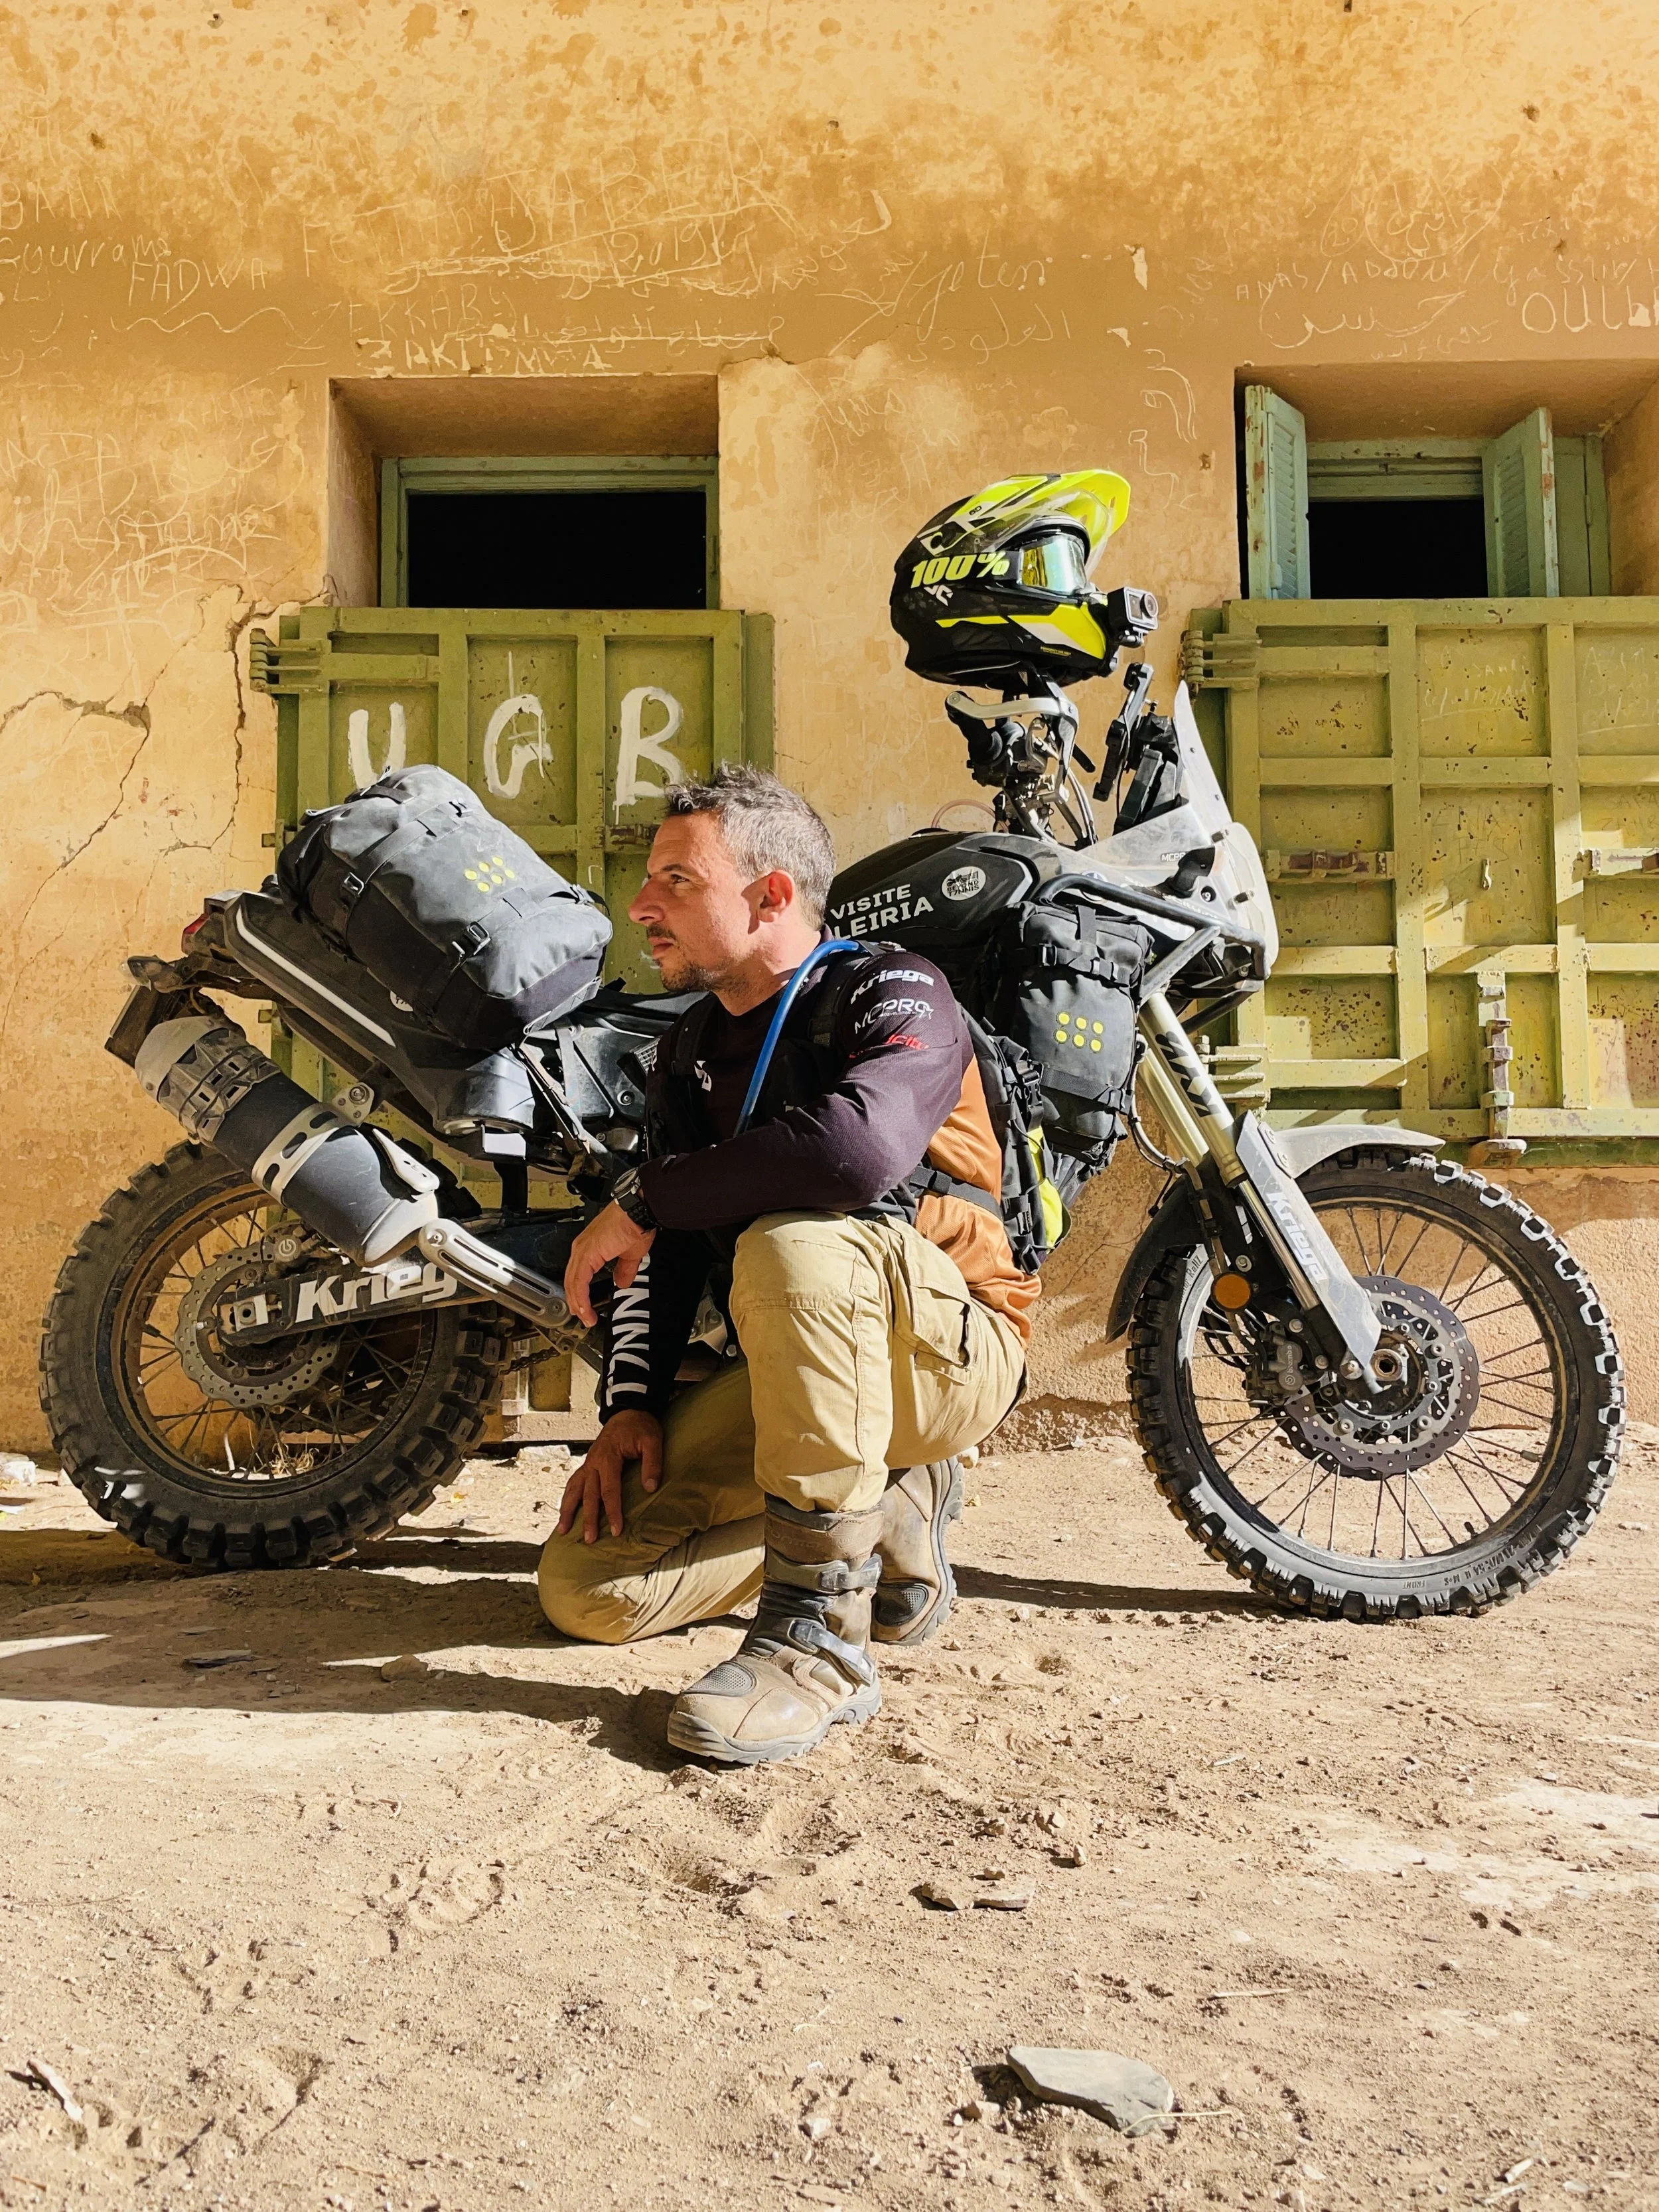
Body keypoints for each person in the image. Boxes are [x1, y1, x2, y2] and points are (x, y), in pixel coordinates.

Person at [538, 765, 1033, 1765]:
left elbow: (856, 1156)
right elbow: (662, 1260)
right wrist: (630, 1407)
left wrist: (639, 1197)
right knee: (589, 1588)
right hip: (807, 1364)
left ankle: (819, 1649)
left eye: (678, 880)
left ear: (770, 896)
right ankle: (886, 1511)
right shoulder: (688, 1052)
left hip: (946, 1350)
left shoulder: (893, 988)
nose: (642, 905)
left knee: (791, 1237)